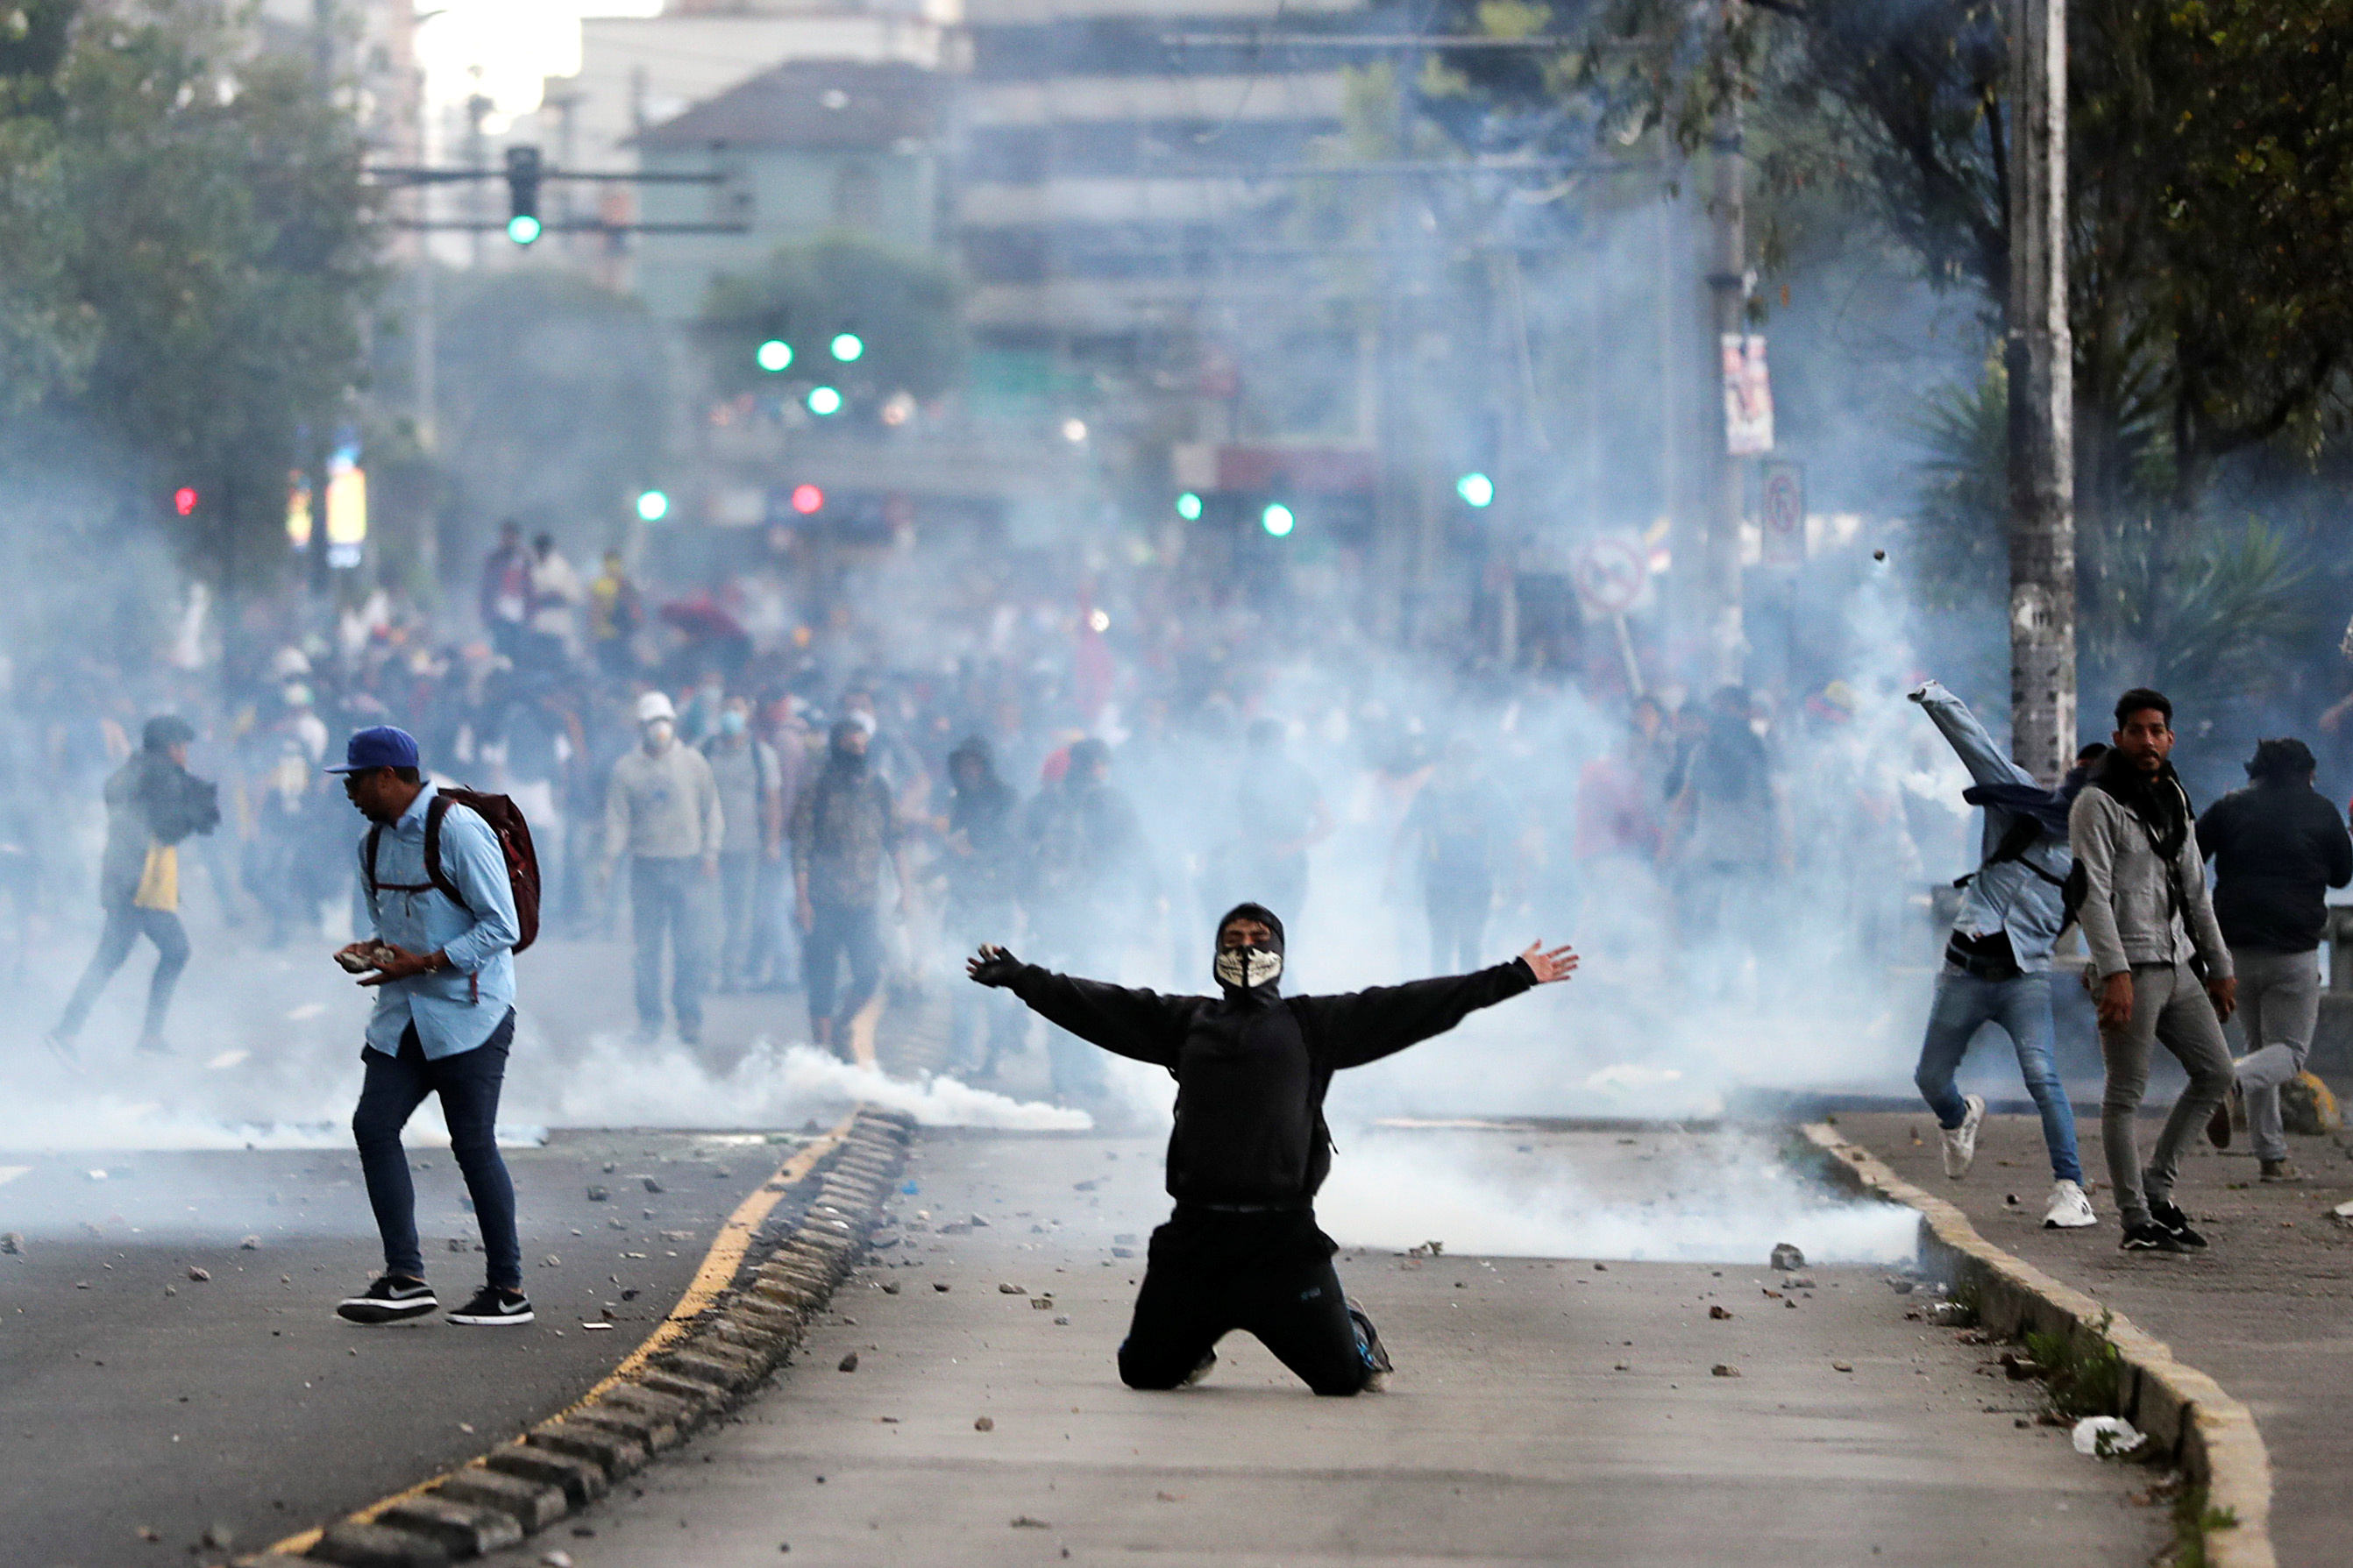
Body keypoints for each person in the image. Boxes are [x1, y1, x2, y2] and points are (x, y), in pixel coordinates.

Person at [966, 903, 1577, 1394]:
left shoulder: (1315, 1024)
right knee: (1143, 1374)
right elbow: (1099, 1006)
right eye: (1232, 938)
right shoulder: (1186, 1022)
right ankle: (1192, 1336)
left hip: (1284, 1242)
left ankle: (1351, 1326)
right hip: (1195, 1239)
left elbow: (1411, 1004)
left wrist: (1513, 976)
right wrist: (1022, 979)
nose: (1245, 948)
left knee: (1343, 1381)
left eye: (1258, 937)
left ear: (1279, 952)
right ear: (1215, 954)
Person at [327, 726, 530, 1327]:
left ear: (389, 776)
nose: (350, 792)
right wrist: (374, 951)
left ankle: (508, 1290)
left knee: (472, 1144)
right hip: (403, 1014)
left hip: (470, 1012)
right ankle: (405, 1277)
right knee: (373, 1124)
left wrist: (432, 961)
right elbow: (394, 930)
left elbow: (503, 926)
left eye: (356, 780)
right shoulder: (372, 844)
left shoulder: (458, 830)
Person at [1904, 682, 2100, 1229]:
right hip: (1964, 970)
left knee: (2043, 1077)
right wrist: (1936, 698)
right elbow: (1977, 747)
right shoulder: (2018, 799)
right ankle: (1959, 1116)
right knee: (1929, 1079)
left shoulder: (2096, 852)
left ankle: (2071, 1189)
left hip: (2025, 978)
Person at [2070, 688, 2236, 1254]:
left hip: (2176, 959)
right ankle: (2135, 1218)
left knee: (2215, 1071)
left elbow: (2195, 888)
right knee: (2125, 1095)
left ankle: (2159, 1192)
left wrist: (2219, 965)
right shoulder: (2097, 802)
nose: (2147, 740)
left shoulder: (2175, 796)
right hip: (2129, 967)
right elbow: (2088, 892)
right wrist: (2112, 970)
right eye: (2136, 730)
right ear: (2118, 736)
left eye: (2157, 730)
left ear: (2170, 738)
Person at [2197, 736, 2353, 1181]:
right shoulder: (2322, 811)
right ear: (2309, 773)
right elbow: (2343, 874)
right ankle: (2230, 1081)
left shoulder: (2229, 807)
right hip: (2293, 949)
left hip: (2233, 950)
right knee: (2290, 1054)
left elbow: (2190, 856)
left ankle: (2272, 1156)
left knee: (2260, 1049)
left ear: (2255, 770)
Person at [45, 715, 219, 1062]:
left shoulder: (139, 770)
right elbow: (170, 827)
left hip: (137, 886)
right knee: (136, 956)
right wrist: (198, 813)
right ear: (171, 747)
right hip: (138, 888)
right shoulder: (160, 776)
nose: (186, 754)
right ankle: (67, 1032)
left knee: (147, 954)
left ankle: (131, 1034)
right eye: (182, 747)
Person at [1023, 738, 1156, 1103]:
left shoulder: (1048, 801)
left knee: (1066, 988)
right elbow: (1137, 857)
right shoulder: (1109, 802)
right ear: (1097, 765)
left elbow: (1022, 851)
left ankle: (1070, 1074)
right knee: (1094, 990)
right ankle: (1083, 1073)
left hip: (1065, 913)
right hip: (1088, 915)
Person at [603, 691, 722, 1046]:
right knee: (647, 950)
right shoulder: (626, 770)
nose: (660, 729)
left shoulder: (694, 763)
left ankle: (689, 1017)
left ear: (673, 724)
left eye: (665, 722)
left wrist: (710, 853)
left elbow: (711, 811)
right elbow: (618, 822)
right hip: (647, 868)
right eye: (653, 723)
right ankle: (650, 1020)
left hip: (688, 865)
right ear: (641, 727)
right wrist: (608, 864)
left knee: (689, 947)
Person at [791, 719, 907, 1059]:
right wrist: (802, 901)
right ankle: (823, 1048)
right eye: (850, 745)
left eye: (862, 745)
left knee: (870, 973)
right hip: (823, 900)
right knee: (821, 979)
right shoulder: (818, 790)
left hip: (864, 903)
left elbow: (895, 842)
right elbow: (800, 849)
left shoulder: (878, 788)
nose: (858, 751)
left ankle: (843, 1025)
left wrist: (907, 893)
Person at [941, 736, 1026, 1076]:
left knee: (996, 983)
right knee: (959, 978)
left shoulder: (1006, 800)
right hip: (963, 901)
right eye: (963, 766)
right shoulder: (962, 800)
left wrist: (974, 856)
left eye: (974, 765)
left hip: (995, 900)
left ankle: (994, 1054)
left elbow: (1011, 848)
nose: (968, 772)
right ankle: (961, 1054)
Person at [1389, 736, 1510, 974]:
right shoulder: (1432, 792)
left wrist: (1513, 877)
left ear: (1476, 762)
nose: (1463, 765)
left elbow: (1511, 836)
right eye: (1458, 760)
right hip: (1439, 881)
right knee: (1442, 947)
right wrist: (1391, 872)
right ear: (1449, 761)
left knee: (1470, 947)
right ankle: (1444, 1005)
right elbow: (1404, 831)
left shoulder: (1491, 792)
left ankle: (1466, 1005)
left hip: (1478, 882)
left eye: (1468, 760)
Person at [701, 696, 783, 993]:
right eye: (726, 709)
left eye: (737, 709)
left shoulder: (762, 755)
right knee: (709, 913)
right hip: (707, 848)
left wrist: (773, 841)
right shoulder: (704, 750)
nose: (731, 715)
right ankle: (707, 971)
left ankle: (731, 973)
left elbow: (772, 800)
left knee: (741, 913)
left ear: (748, 714)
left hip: (747, 845)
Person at [478, 521, 533, 658]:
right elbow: (486, 589)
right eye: (505, 536)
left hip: (520, 616)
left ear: (516, 538)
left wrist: (531, 615)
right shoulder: (494, 559)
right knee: (501, 655)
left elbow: (531, 589)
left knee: (520, 655)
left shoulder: (525, 559)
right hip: (499, 615)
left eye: (511, 536)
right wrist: (486, 614)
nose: (507, 539)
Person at [586, 550, 642, 678]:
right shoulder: (625, 583)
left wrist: (590, 638)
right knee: (619, 673)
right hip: (619, 636)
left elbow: (594, 613)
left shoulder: (602, 585)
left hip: (610, 636)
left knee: (609, 673)